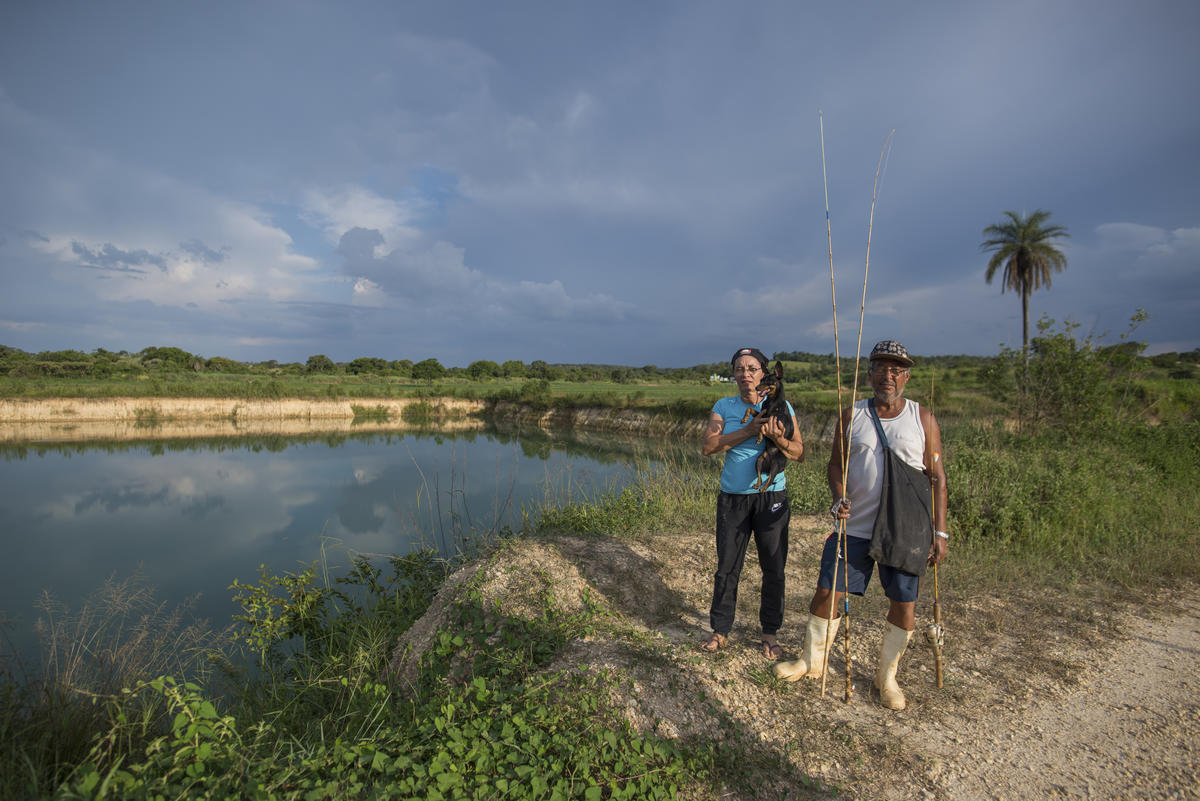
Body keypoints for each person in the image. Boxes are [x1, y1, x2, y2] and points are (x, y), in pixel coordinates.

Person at [775, 339, 948, 710]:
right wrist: (838, 496)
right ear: (869, 373)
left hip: (906, 528)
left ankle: (886, 677)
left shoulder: (923, 419)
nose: (889, 376)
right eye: (881, 368)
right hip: (854, 525)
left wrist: (940, 532)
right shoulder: (853, 414)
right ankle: (811, 660)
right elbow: (835, 465)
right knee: (828, 591)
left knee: (904, 603)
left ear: (906, 376)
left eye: (896, 369)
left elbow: (937, 478)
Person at [701, 347, 805, 658]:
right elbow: (708, 446)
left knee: (773, 567)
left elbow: (799, 452)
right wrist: (748, 430)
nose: (745, 374)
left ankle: (770, 632)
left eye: (752, 368)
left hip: (771, 496)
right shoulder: (724, 406)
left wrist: (777, 439)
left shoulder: (782, 406)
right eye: (739, 369)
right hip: (733, 499)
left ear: (764, 374)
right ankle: (720, 630)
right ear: (733, 375)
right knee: (727, 566)